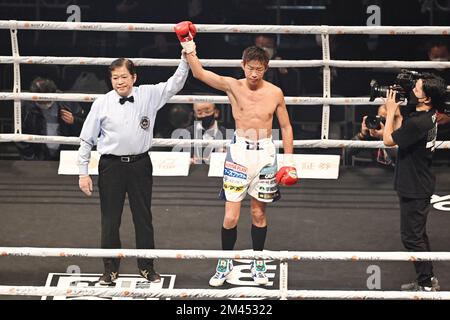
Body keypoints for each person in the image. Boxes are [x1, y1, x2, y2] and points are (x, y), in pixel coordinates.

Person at [174, 21, 298, 286]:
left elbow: (286, 127)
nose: (254, 73)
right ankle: (224, 262)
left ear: (266, 68)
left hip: (265, 153)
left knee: (258, 214)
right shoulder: (233, 85)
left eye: (259, 69)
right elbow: (199, 73)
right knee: (230, 216)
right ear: (243, 66)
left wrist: (289, 162)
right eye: (250, 68)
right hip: (240, 152)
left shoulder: (275, 92)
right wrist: (188, 44)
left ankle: (259, 262)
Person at [77, 56, 190, 285]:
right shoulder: (102, 103)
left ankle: (147, 267)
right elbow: (86, 140)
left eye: (124, 77)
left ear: (134, 77)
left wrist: (185, 58)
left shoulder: (148, 94)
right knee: (110, 220)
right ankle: (110, 269)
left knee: (143, 218)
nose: (119, 82)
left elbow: (175, 83)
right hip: (111, 166)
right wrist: (83, 172)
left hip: (140, 165)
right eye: (115, 78)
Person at [383, 73, 446, 291]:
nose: (413, 90)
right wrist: (398, 114)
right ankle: (425, 279)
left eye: (417, 89)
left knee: (411, 238)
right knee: (418, 235)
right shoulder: (427, 115)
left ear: (427, 97)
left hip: (415, 185)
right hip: (417, 179)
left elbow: (388, 139)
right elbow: (403, 129)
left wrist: (390, 111)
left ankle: (427, 284)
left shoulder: (419, 122)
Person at [16, 77, 85, 160]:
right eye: (41, 102)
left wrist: (74, 121)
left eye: (48, 101)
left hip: (66, 153)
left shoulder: (67, 101)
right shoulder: (25, 107)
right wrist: (32, 160)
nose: (45, 104)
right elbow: (20, 137)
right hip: (39, 155)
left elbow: (85, 125)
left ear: (54, 94)